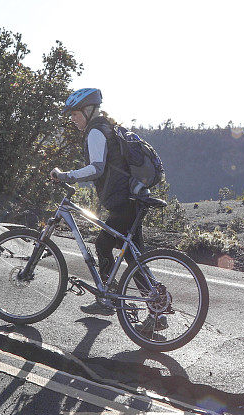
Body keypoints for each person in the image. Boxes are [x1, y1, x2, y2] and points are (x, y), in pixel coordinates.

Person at [50, 88, 146, 317]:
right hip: (130, 200)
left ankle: (107, 300)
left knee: (103, 245)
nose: (72, 119)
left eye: (74, 114)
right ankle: (157, 312)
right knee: (135, 259)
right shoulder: (106, 127)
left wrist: (65, 175)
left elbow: (96, 168)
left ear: (88, 110)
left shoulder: (95, 131)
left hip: (123, 202)